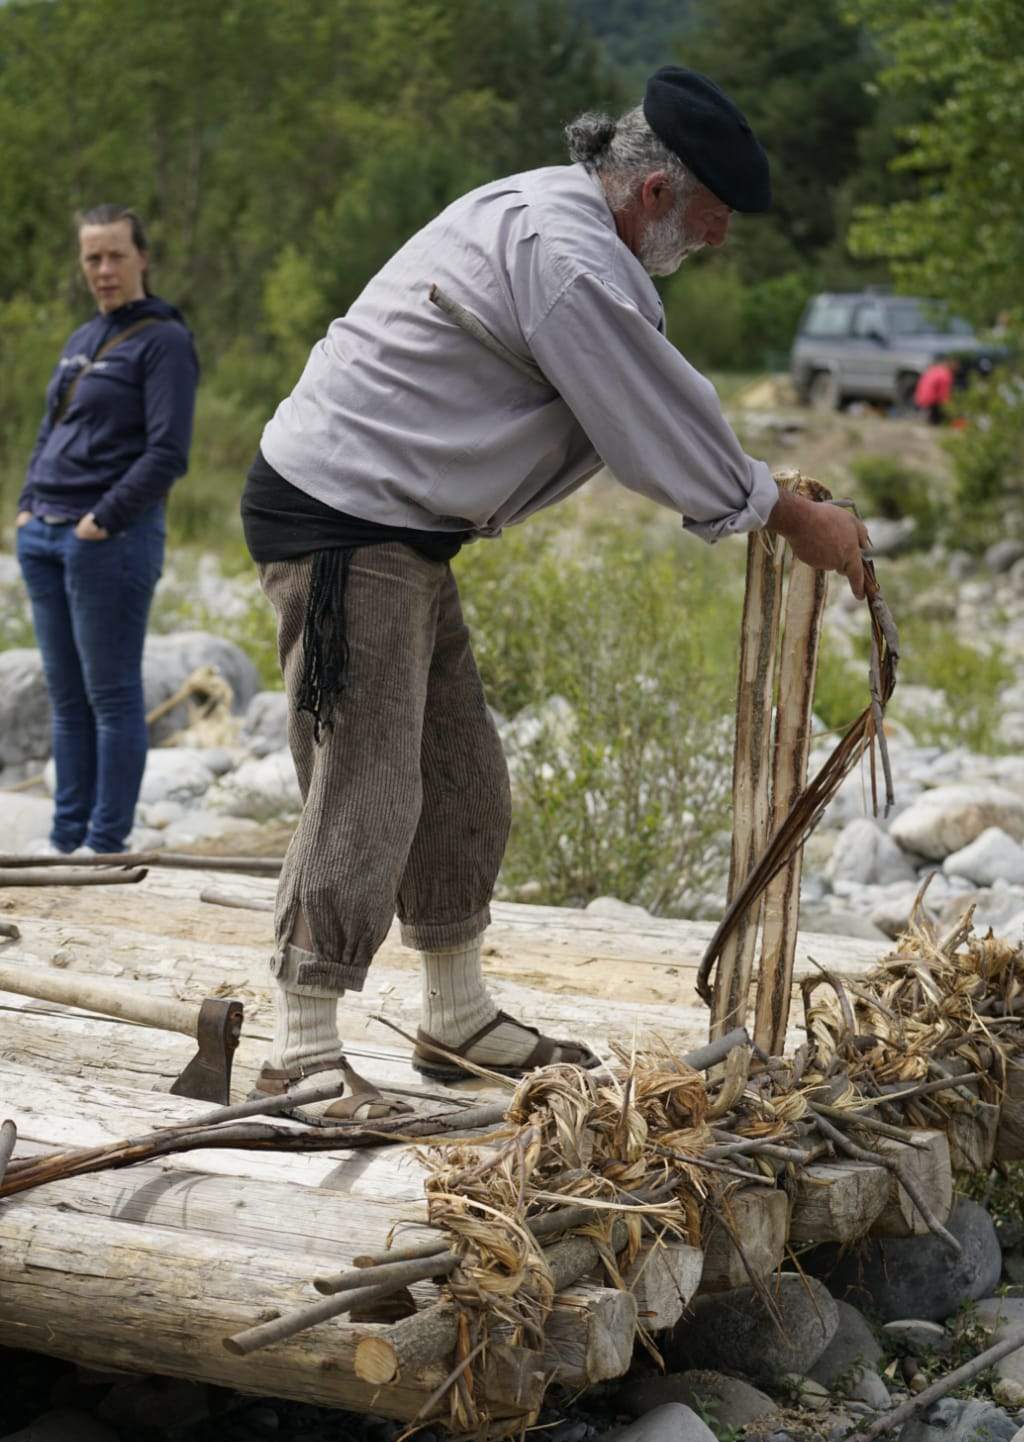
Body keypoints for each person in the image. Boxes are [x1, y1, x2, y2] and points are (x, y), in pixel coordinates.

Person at [240, 66, 871, 1126]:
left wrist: (762, 495)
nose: (717, 241)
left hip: (401, 525)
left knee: (462, 777)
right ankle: (299, 1056)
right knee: (366, 783)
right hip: (343, 520)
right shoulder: (568, 257)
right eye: (713, 216)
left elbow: (654, 397)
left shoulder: (568, 226)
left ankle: (455, 1017)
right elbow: (652, 418)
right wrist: (781, 512)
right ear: (656, 191)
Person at [16, 205, 199, 856]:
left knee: (113, 697)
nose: (104, 269)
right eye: (92, 257)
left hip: (108, 541)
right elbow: (51, 429)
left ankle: (104, 844)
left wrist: (101, 521)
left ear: (141, 257)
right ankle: (66, 842)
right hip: (44, 534)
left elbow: (168, 452)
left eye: (116, 255)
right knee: (67, 700)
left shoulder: (164, 342)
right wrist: (27, 504)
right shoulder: (81, 339)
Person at [913, 353, 959, 425]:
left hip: (919, 398)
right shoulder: (946, 374)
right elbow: (944, 395)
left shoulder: (934, 369)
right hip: (930, 402)